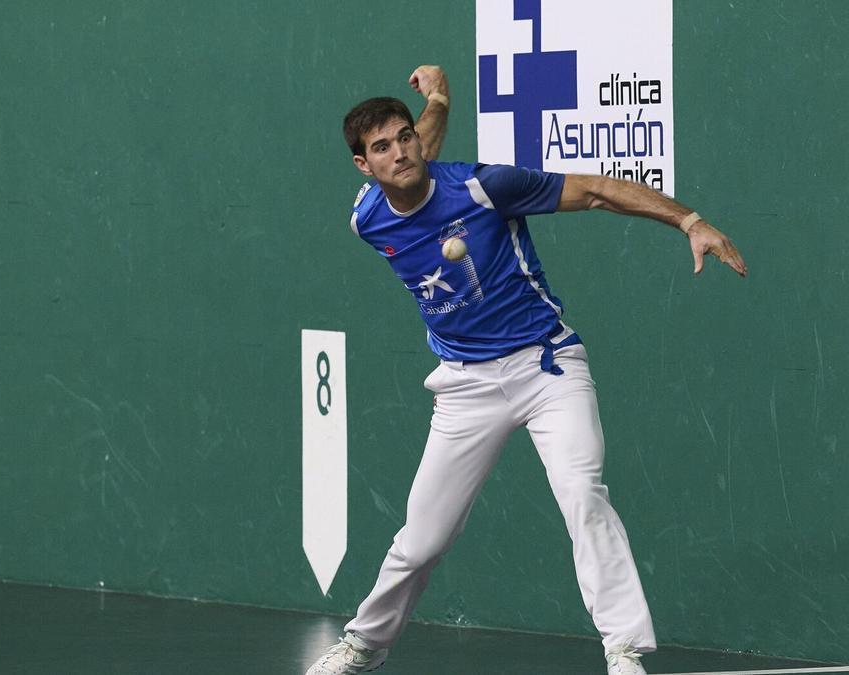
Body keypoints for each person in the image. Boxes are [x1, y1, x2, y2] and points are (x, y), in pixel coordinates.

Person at [306, 67, 746, 675]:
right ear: (364, 166)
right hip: (464, 386)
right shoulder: (367, 219)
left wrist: (688, 220)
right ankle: (363, 644)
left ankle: (623, 650)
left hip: (546, 366)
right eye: (381, 147)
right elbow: (417, 153)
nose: (401, 151)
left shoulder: (485, 187)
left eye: (406, 137)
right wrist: (439, 98)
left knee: (583, 495)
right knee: (423, 538)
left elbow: (593, 190)